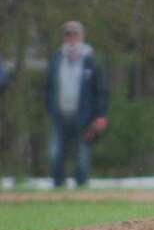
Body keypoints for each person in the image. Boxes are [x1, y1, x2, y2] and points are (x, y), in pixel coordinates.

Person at [45, 21, 109, 188]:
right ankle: (58, 187)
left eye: (75, 35)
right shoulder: (56, 59)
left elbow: (100, 91)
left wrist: (101, 115)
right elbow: (48, 88)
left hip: (84, 117)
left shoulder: (91, 61)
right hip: (60, 116)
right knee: (56, 153)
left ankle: (81, 188)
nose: (72, 39)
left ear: (81, 37)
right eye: (68, 35)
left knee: (82, 155)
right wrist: (51, 108)